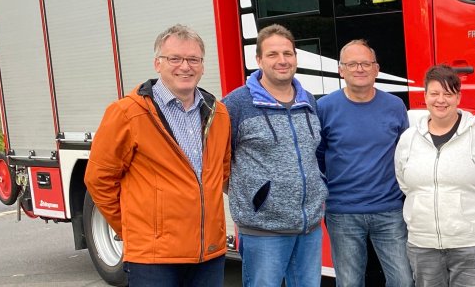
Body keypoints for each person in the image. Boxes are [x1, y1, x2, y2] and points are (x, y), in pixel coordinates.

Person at [84, 24, 231, 286]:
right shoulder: (127, 114)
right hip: (154, 260)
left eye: (193, 59)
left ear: (202, 66)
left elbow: (222, 172)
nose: (185, 66)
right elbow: (99, 179)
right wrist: (137, 230)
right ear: (157, 63)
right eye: (174, 58)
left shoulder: (218, 114)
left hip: (208, 253)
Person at [224, 24, 327, 287]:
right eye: (272, 55)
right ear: (258, 60)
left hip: (309, 227)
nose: (282, 61)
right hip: (263, 231)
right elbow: (216, 161)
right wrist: (252, 196)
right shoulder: (236, 105)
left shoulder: (309, 101)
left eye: (288, 53)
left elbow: (314, 154)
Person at [395, 64, 475, 286]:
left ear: (458, 97)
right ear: (425, 96)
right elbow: (405, 183)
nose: (441, 100)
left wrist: (469, 215)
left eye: (448, 94)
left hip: (472, 244)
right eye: (435, 93)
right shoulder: (409, 139)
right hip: (423, 244)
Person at [317, 40, 413, 287]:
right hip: (342, 212)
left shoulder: (394, 106)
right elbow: (317, 156)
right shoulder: (325, 107)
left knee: (403, 280)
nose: (359, 69)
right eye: (352, 64)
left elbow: (406, 154)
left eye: (365, 63)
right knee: (349, 283)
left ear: (376, 68)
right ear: (341, 69)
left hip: (390, 210)